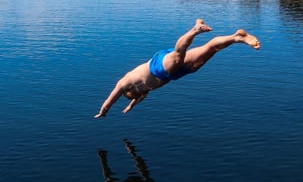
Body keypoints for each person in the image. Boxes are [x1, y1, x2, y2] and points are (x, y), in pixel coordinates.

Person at [94, 19, 260, 118]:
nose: (136, 96)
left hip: (158, 66)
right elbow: (137, 99)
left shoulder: (126, 81)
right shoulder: (143, 91)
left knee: (179, 53)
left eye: (132, 96)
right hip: (172, 74)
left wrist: (104, 110)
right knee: (208, 51)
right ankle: (237, 37)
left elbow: (112, 97)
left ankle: (195, 30)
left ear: (130, 90)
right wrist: (130, 106)